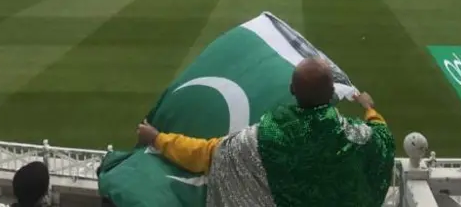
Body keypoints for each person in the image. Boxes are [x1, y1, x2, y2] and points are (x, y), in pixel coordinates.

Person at [137, 58, 395, 207]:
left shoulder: (257, 140)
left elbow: (204, 154)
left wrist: (157, 138)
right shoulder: (356, 137)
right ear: (331, 95)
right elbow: (383, 138)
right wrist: (369, 108)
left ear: (292, 90)